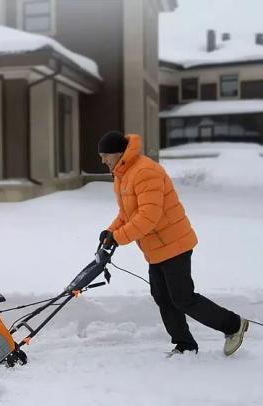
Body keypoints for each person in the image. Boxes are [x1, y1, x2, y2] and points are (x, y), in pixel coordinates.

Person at [97, 130, 248, 357]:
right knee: (163, 297)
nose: (102, 161)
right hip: (156, 249)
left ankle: (234, 325)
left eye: (104, 156)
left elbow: (149, 217)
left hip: (174, 244)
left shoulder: (145, 171)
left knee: (183, 298)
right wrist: (110, 230)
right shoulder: (123, 175)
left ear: (117, 154)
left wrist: (119, 237)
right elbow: (128, 213)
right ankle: (185, 345)